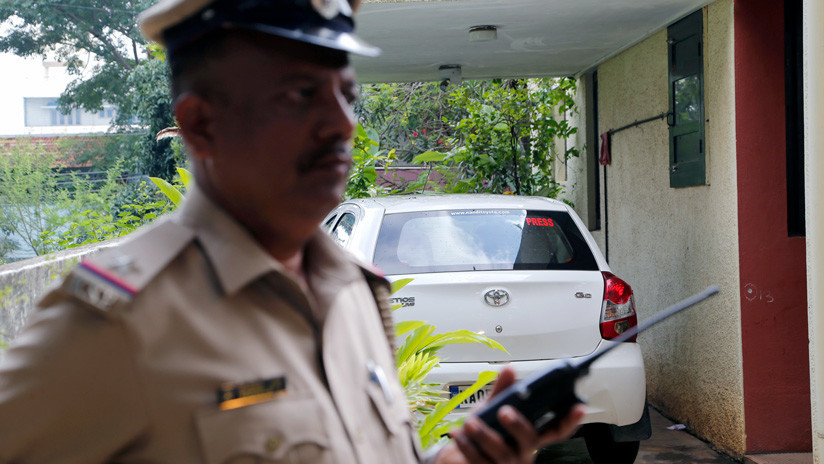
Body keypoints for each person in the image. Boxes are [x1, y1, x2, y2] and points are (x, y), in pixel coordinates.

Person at [0, 0, 585, 462]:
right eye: (300, 95)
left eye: (346, 94)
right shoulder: (118, 325)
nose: (340, 124)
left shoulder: (353, 289)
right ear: (201, 126)